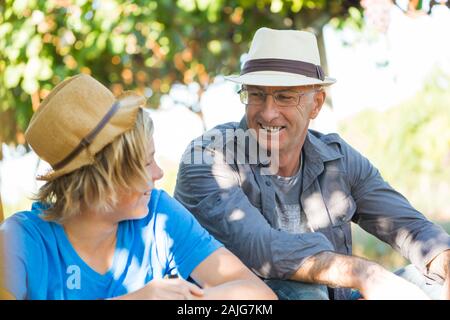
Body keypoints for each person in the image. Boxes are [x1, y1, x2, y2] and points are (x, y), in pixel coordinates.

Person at [174, 27, 450, 300]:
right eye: (256, 94)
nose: (269, 112)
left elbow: (411, 228)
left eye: (285, 96)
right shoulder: (207, 158)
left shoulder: (338, 158)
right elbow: (261, 250)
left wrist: (444, 260)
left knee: (431, 284)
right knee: (304, 292)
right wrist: (366, 274)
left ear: (316, 103)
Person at [0, 74, 277, 300]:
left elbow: (260, 297)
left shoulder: (159, 216)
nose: (158, 173)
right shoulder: (20, 240)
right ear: (102, 180)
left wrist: (187, 302)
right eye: (146, 163)